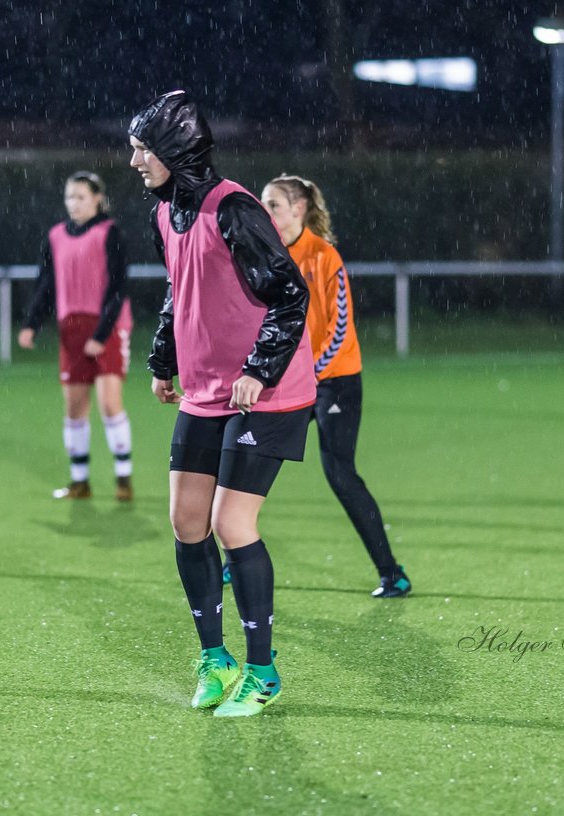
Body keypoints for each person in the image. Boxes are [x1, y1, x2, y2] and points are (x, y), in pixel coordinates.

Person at [129, 91, 316, 718]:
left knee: (233, 525)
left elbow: (291, 297)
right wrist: (164, 360)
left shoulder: (233, 208)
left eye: (142, 150)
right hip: (208, 393)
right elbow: (177, 293)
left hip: (270, 394)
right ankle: (217, 659)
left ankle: (263, 673)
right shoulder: (164, 215)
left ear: (176, 150)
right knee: (187, 524)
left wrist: (259, 372)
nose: (134, 162)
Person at [260, 175, 411, 598]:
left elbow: (340, 329)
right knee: (251, 464)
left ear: (298, 209)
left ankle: (391, 572)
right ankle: (238, 556)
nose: (264, 211)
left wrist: (308, 372)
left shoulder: (324, 258)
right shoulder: (265, 256)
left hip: (334, 382)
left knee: (339, 474)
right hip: (286, 380)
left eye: (272, 204)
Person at [18, 171, 135, 500]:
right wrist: (31, 323)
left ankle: (123, 478)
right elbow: (46, 284)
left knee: (109, 405)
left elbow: (117, 287)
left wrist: (101, 332)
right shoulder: (56, 235)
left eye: (81, 197)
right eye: (70, 197)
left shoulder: (110, 232)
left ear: (97, 198)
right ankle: (79, 480)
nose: (74, 203)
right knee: (74, 407)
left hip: (107, 326)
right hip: (71, 328)